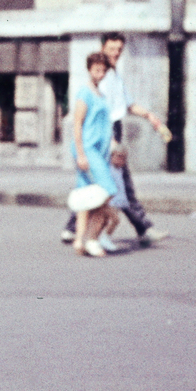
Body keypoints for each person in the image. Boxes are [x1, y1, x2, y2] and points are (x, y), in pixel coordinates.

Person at [59, 33, 167, 247]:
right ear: (103, 48)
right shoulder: (102, 78)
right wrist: (111, 141)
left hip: (112, 129)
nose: (116, 53)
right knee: (118, 183)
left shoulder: (114, 75)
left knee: (105, 183)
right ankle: (140, 228)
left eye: (119, 49)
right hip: (105, 133)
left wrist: (150, 116)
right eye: (111, 49)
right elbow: (93, 114)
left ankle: (74, 229)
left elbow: (127, 104)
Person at [68, 51, 126, 257]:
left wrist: (113, 146)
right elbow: (77, 124)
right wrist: (81, 154)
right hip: (88, 149)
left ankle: (79, 241)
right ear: (89, 69)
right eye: (96, 70)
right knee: (109, 189)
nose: (100, 74)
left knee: (86, 194)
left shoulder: (101, 95)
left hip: (100, 151)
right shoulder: (84, 93)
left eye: (103, 71)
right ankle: (92, 238)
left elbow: (104, 125)